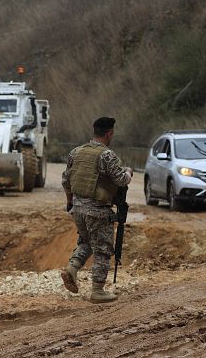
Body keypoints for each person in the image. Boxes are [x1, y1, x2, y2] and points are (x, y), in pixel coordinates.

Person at [60, 117, 133, 303]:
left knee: (86, 242)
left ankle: (72, 268)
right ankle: (98, 291)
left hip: (78, 208)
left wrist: (70, 202)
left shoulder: (75, 152)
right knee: (102, 249)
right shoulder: (106, 155)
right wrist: (129, 172)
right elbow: (121, 180)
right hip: (98, 210)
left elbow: (66, 180)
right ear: (109, 133)